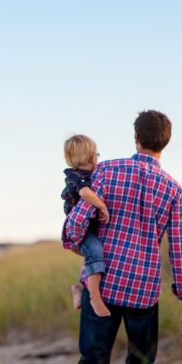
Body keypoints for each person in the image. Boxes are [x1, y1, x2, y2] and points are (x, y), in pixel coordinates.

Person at [62, 110, 182, 364]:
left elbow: (75, 224)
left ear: (135, 138)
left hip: (104, 286)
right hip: (143, 292)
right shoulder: (173, 189)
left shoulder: (106, 171)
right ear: (165, 143)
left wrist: (78, 242)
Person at [61, 134, 111, 317]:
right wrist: (101, 205)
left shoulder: (86, 175)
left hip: (87, 226)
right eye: (97, 154)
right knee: (96, 251)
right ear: (92, 157)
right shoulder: (78, 177)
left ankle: (80, 287)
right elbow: (84, 193)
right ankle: (94, 298)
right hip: (79, 229)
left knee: (92, 255)